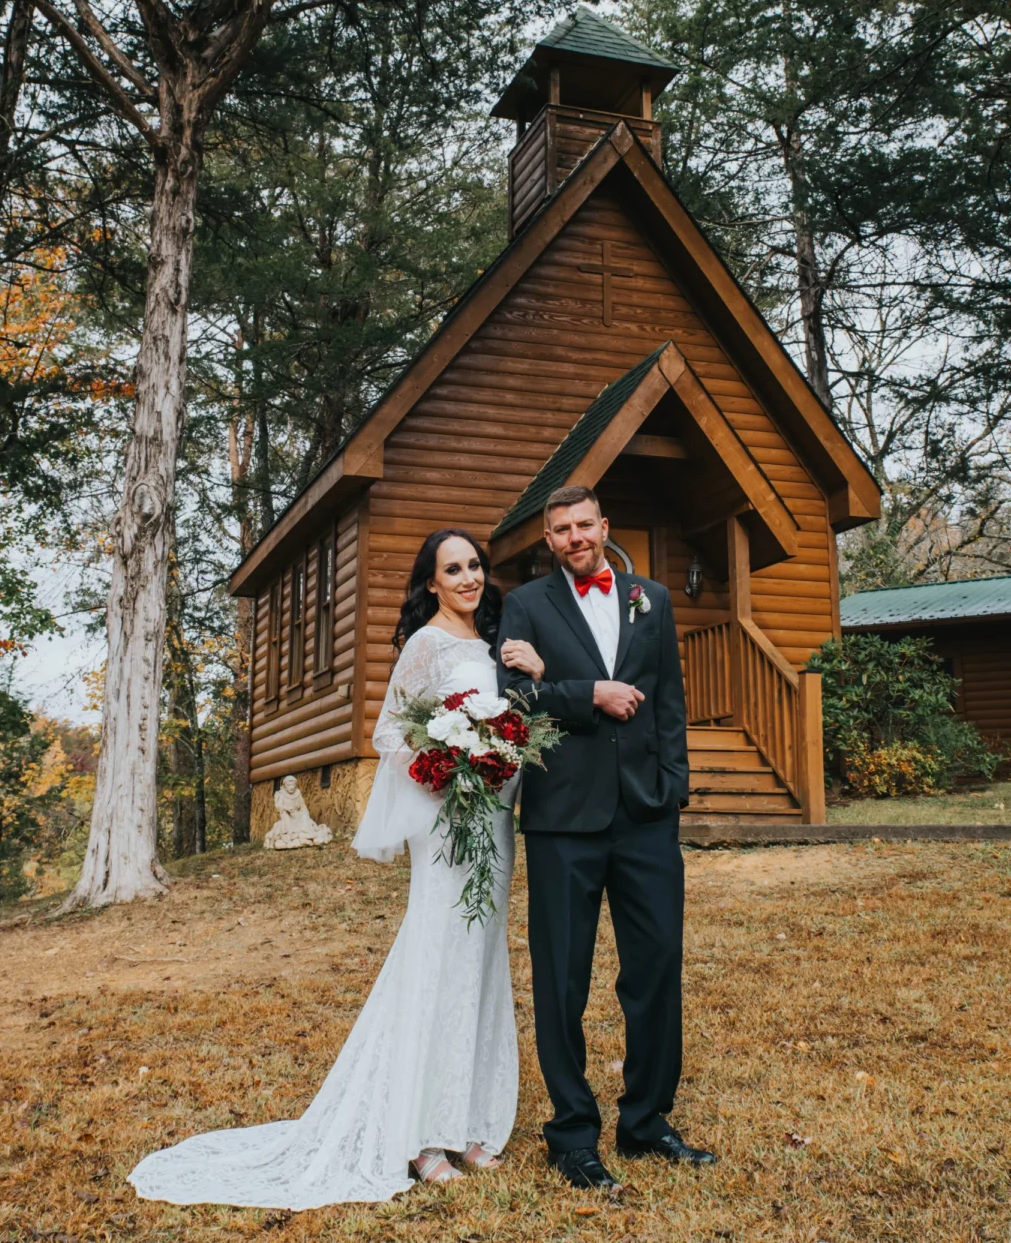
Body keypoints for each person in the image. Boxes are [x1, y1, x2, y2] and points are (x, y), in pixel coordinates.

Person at [128, 528, 544, 1210]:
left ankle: (469, 1122)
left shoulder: (493, 643)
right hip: (447, 824)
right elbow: (390, 731)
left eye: (474, 565)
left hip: (494, 822)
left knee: (481, 960)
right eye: (453, 569)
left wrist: (507, 729)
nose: (469, 577)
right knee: (437, 954)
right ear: (431, 583)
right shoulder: (426, 644)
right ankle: (420, 1136)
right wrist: (449, 760)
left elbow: (515, 722)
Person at [496, 484, 716, 1194]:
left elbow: (670, 699)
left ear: (604, 526)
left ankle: (647, 1122)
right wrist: (587, 692)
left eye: (583, 524)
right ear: (549, 540)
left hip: (648, 816)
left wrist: (673, 784)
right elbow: (514, 698)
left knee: (655, 969)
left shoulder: (650, 596)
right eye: (560, 530)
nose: (573, 537)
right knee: (562, 979)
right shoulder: (524, 606)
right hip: (563, 818)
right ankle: (571, 1135)